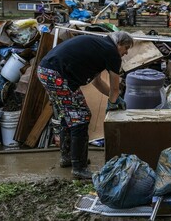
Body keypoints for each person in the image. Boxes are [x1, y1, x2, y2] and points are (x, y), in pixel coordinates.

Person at [37, 31, 133, 179]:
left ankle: (68, 157)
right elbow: (115, 88)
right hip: (57, 75)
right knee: (80, 116)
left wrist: (115, 98)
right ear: (119, 44)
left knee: (67, 114)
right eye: (126, 48)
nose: (126, 53)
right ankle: (79, 167)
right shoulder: (111, 52)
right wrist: (113, 101)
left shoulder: (100, 47)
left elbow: (97, 82)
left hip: (46, 71)